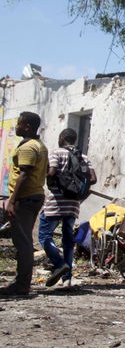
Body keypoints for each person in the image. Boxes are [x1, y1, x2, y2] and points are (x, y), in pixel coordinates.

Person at [40, 128, 97, 286]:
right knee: (68, 241)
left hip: (55, 203)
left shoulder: (56, 153)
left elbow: (51, 173)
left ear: (61, 138)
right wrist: (78, 192)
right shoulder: (83, 157)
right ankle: (67, 280)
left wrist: (50, 181)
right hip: (73, 205)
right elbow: (93, 178)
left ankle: (60, 264)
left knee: (44, 236)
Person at [0, 112, 49, 296]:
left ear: (27, 126)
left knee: (23, 242)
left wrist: (11, 201)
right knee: (24, 240)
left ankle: (21, 285)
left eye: (19, 124)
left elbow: (24, 174)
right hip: (34, 196)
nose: (16, 127)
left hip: (25, 198)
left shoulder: (28, 147)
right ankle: (22, 282)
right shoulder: (39, 145)